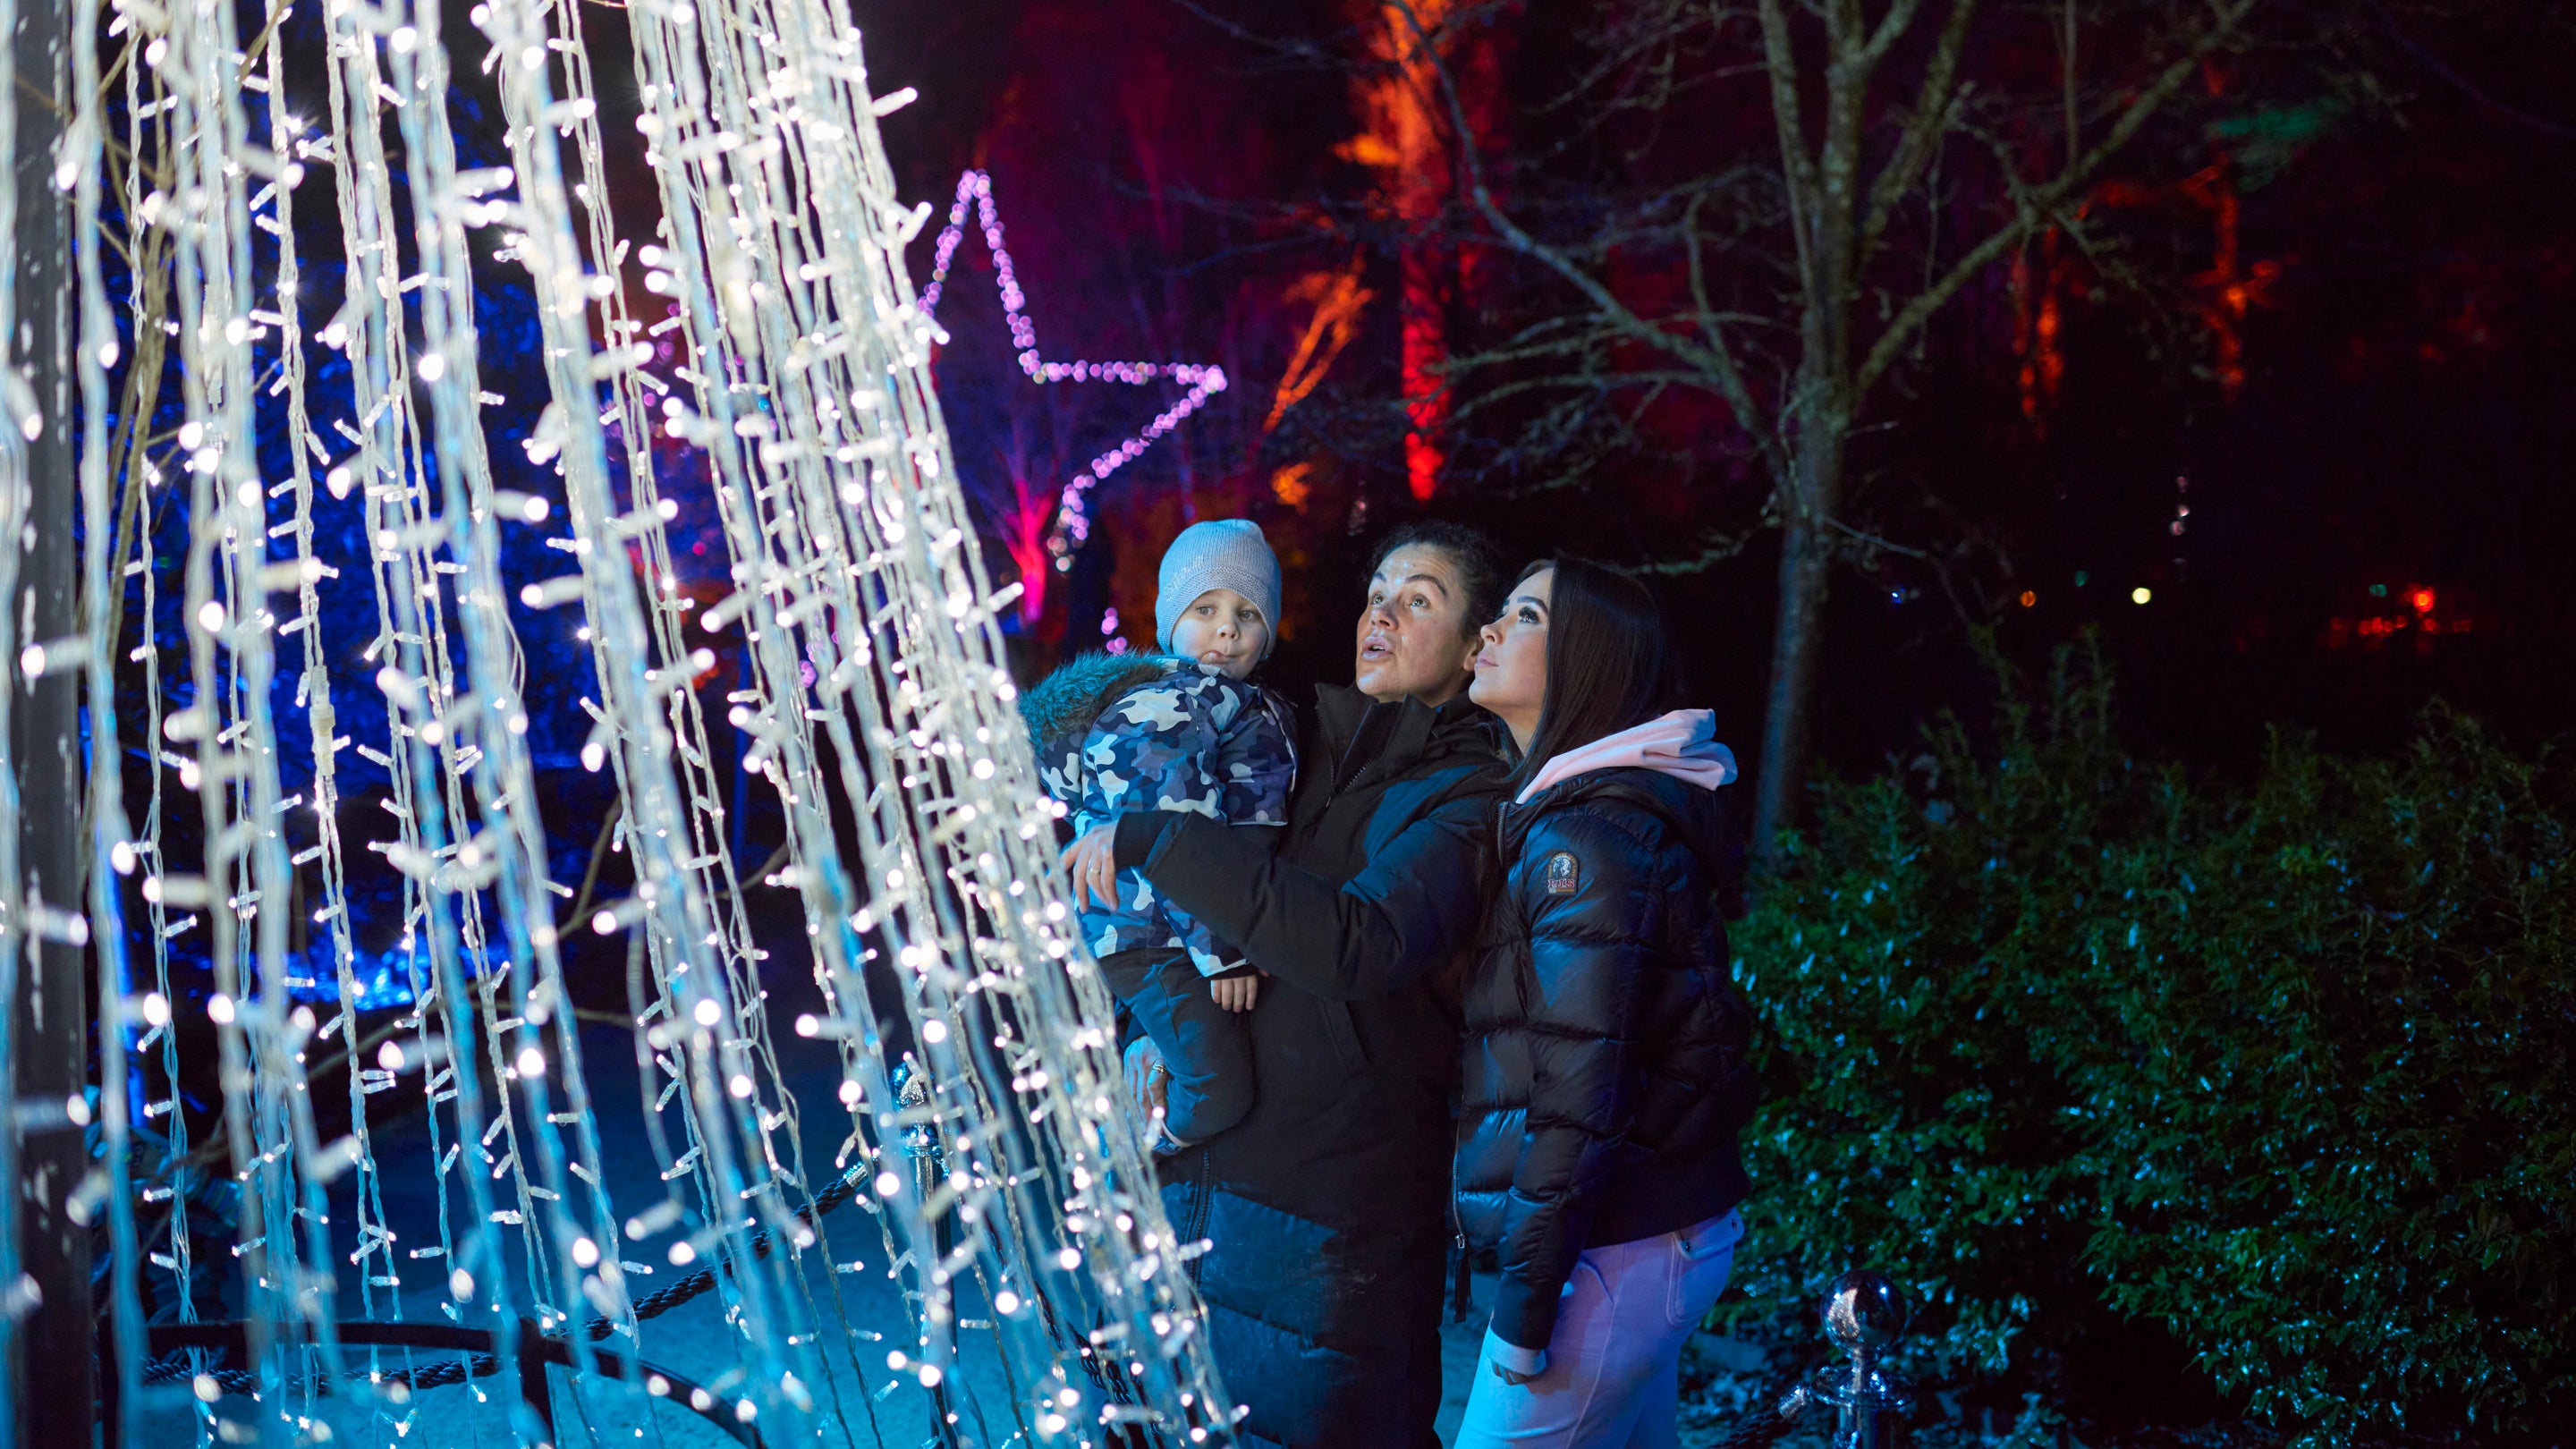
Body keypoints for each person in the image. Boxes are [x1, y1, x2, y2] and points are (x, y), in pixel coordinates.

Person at [1080, 521, 1513, 1448]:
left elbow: (1360, 943)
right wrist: (1152, 1024)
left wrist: (1160, 839)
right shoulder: (1294, 739)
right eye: (1376, 593)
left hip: (1330, 1214)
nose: (1380, 615)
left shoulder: (1472, 797)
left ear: (1477, 644)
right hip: (1205, 1174)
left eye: (1418, 600)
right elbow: (1196, 911)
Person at [1450, 556, 1756, 1449]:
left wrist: (1523, 1312)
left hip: (1614, 1253)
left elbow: (1579, 1099)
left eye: (1527, 616)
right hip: (1645, 1238)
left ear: (1589, 660)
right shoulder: (1583, 815)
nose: (1491, 630)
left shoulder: (1583, 842)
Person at [1027, 519, 1297, 1150]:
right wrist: (1223, 949)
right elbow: (1177, 841)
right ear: (1170, 621)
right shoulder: (1165, 709)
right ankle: (1131, 1156)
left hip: (1176, 929)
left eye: (1248, 614)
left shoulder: (1227, 702)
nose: (1227, 629)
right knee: (1217, 1087)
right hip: (1156, 935)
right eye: (1205, 609)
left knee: (1200, 1064)